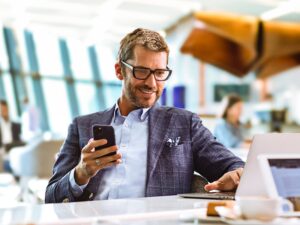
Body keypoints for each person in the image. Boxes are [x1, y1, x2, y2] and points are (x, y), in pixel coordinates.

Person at [45, 28, 244, 203]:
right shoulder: (81, 126)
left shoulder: (185, 124)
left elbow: (233, 165)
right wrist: (80, 174)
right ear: (119, 71)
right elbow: (51, 197)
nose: (152, 83)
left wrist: (237, 175)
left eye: (159, 73)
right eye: (141, 71)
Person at [0, 100, 24, 172]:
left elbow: (20, 141)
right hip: (3, 153)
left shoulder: (16, 125)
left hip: (14, 151)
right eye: (1, 109)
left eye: (5, 109)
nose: (3, 111)